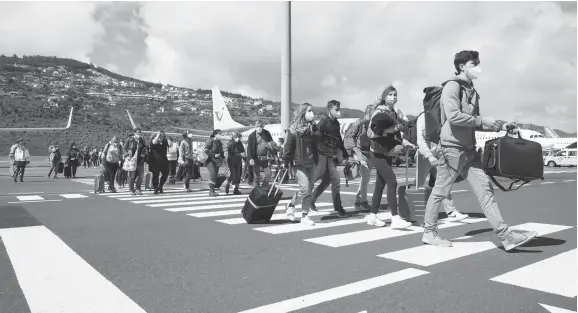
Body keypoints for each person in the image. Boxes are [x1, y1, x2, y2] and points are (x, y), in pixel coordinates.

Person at [421, 50, 538, 251]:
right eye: (473, 63)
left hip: (469, 150)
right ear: (461, 66)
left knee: (486, 191)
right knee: (441, 190)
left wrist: (500, 125)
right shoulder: (452, 86)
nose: (478, 67)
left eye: (478, 62)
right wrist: (482, 120)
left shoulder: (471, 89)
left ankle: (506, 236)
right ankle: (429, 233)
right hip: (452, 148)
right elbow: (454, 117)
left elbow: (474, 122)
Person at [366, 85, 415, 228]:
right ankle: (395, 218)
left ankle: (372, 216)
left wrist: (408, 143)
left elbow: (397, 135)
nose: (393, 97)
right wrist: (391, 129)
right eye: (390, 95)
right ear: (384, 97)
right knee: (392, 182)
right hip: (376, 152)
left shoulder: (394, 112)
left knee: (380, 185)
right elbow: (371, 133)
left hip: (386, 151)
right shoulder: (378, 112)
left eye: (395, 95)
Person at [415, 113, 469, 221]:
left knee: (443, 182)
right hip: (424, 154)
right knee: (418, 183)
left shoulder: (443, 115)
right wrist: (429, 156)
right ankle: (410, 209)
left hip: (439, 153)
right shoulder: (424, 117)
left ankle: (451, 211)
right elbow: (420, 140)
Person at [310, 100, 349, 218]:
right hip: (323, 156)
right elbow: (316, 139)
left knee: (327, 181)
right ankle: (338, 208)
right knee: (334, 179)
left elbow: (338, 140)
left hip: (332, 156)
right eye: (336, 109)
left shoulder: (336, 123)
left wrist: (345, 154)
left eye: (339, 109)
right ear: (329, 109)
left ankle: (311, 200)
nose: (338, 112)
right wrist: (321, 153)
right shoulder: (323, 122)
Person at [283, 103, 319, 226]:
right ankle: (291, 204)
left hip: (311, 161)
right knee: (304, 187)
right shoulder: (293, 129)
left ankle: (305, 215)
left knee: (310, 189)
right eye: (309, 111)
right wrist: (285, 160)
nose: (312, 113)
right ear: (303, 113)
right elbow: (288, 146)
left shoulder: (313, 128)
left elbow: (318, 142)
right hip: (299, 162)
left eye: (312, 110)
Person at [343, 104, 375, 211]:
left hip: (369, 154)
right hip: (360, 153)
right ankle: (363, 201)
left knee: (365, 179)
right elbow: (349, 136)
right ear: (369, 113)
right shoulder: (360, 123)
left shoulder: (374, 124)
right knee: (366, 177)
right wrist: (354, 151)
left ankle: (358, 199)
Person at [247, 121, 275, 188]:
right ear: (255, 126)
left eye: (260, 126)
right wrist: (250, 158)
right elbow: (249, 148)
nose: (259, 128)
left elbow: (272, 143)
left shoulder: (267, 133)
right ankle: (256, 190)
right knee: (256, 176)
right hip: (256, 158)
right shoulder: (252, 135)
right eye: (257, 126)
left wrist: (271, 147)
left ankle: (264, 187)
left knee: (268, 174)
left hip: (266, 158)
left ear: (263, 126)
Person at [123, 128, 147, 195]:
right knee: (132, 175)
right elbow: (124, 148)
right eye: (137, 132)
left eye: (139, 132)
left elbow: (144, 147)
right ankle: (131, 189)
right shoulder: (130, 139)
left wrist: (144, 151)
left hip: (140, 160)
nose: (138, 133)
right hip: (132, 160)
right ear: (134, 133)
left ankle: (137, 188)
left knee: (141, 175)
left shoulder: (141, 140)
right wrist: (126, 155)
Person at [203, 129, 224, 197]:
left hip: (217, 161)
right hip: (210, 160)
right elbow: (206, 150)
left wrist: (223, 158)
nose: (220, 135)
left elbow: (221, 151)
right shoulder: (210, 140)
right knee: (213, 174)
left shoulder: (219, 142)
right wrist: (214, 155)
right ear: (215, 134)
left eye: (221, 134)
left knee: (215, 176)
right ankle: (211, 191)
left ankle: (213, 191)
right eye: (219, 134)